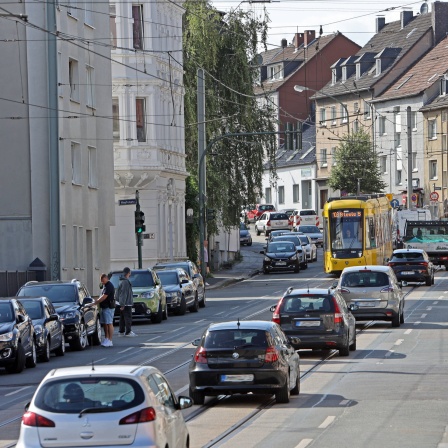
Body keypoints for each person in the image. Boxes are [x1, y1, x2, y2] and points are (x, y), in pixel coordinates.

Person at [90, 273, 115, 347]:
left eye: (103, 280)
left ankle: (110, 340)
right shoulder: (105, 286)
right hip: (104, 307)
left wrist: (96, 302)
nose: (102, 282)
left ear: (107, 278)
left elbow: (104, 296)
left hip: (108, 307)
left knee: (109, 323)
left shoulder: (109, 286)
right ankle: (106, 338)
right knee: (105, 324)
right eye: (101, 281)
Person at [117, 267, 136, 337]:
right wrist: (123, 304)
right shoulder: (125, 282)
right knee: (128, 317)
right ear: (128, 273)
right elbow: (124, 293)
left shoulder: (121, 281)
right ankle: (128, 331)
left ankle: (121, 331)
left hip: (123, 303)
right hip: (126, 303)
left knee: (122, 318)